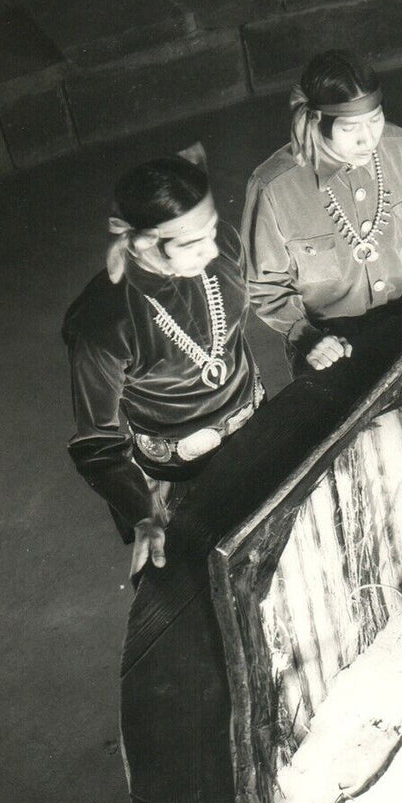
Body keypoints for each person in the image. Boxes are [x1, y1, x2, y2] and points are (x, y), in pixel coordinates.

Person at [65, 152, 260, 580]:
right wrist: (143, 514)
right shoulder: (104, 321)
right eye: (193, 243)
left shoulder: (220, 244)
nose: (213, 250)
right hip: (177, 472)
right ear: (142, 243)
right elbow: (95, 440)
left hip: (257, 432)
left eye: (210, 230)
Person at [242, 50, 402, 372]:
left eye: (375, 119)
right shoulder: (273, 187)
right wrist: (305, 336)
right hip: (328, 344)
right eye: (350, 128)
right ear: (316, 122)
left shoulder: (401, 148)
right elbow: (264, 284)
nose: (368, 139)